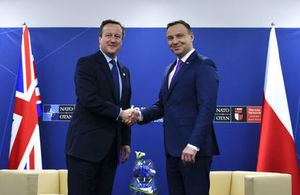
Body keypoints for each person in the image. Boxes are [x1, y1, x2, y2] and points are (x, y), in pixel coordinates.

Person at [129, 20, 220, 195]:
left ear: (191, 37)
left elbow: (207, 108)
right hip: (172, 151)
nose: (175, 41)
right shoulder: (169, 70)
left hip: (194, 151)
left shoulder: (204, 65)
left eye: (179, 36)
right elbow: (163, 105)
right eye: (170, 38)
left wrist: (193, 144)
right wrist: (138, 115)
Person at [65, 19, 134, 195]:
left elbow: (125, 105)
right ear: (99, 38)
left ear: (122, 40)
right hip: (84, 149)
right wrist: (120, 113)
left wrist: (125, 141)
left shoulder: (124, 70)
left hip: (110, 150)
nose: (113, 39)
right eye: (108, 35)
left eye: (117, 36)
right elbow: (89, 99)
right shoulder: (86, 64)